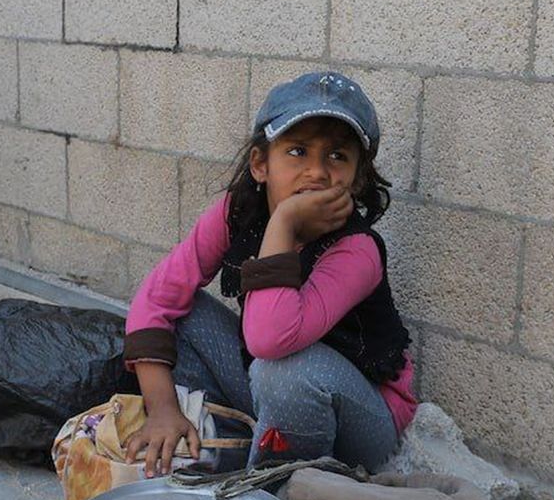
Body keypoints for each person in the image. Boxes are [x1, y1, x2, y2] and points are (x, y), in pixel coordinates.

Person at [121, 71, 418, 478]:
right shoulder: (237, 212)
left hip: (361, 421)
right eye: (297, 151)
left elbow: (270, 339)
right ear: (261, 164)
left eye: (337, 156)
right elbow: (155, 298)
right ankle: (208, 435)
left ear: (358, 177)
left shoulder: (357, 250)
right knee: (185, 312)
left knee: (279, 371)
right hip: (274, 388)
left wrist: (285, 222)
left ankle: (281, 489)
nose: (317, 172)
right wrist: (162, 409)